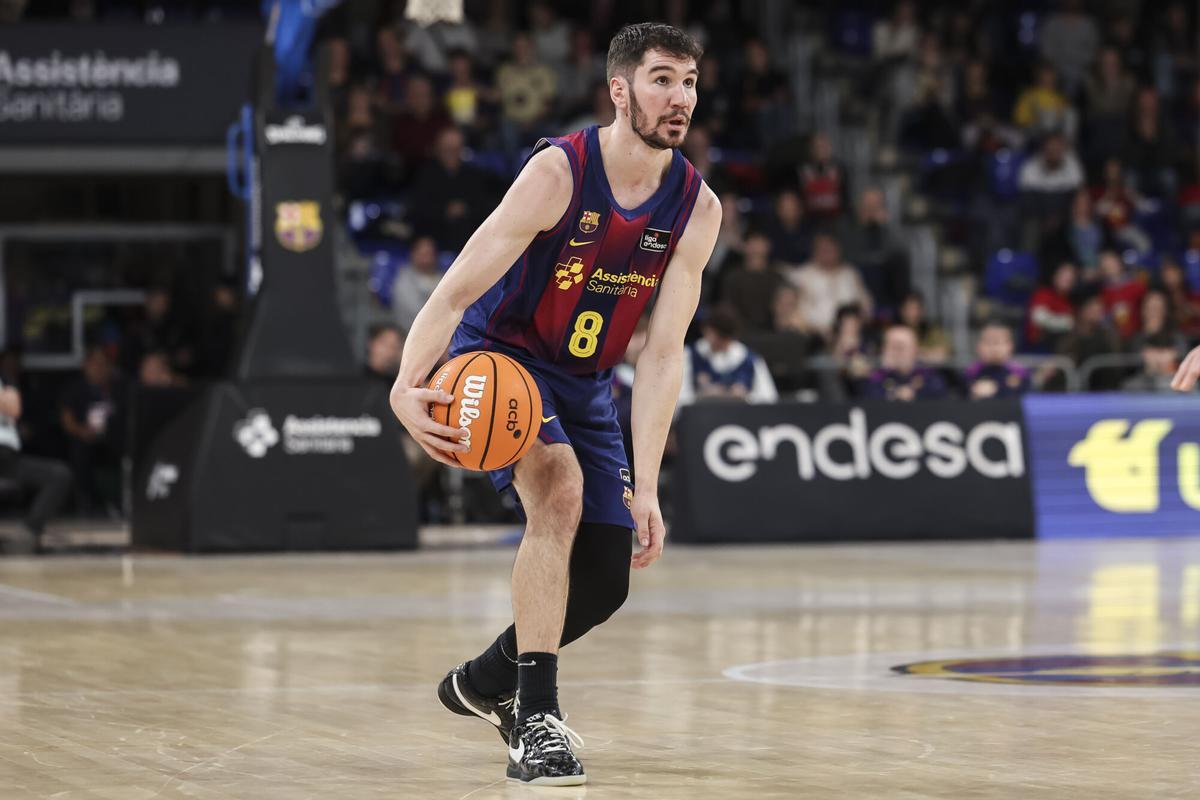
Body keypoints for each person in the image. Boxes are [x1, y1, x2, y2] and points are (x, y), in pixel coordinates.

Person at [388, 23, 719, 786]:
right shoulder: (557, 173)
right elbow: (459, 284)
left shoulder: (697, 209)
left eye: (691, 82)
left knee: (606, 577)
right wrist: (407, 383)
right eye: (663, 79)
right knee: (559, 494)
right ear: (620, 89)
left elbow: (663, 353)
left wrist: (647, 484)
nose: (680, 98)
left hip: (585, 383)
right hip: (497, 357)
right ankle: (537, 717)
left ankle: (483, 682)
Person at [0, 374, 71, 555]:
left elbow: (13, 408)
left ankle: (27, 535)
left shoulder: (5, 380)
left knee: (59, 475)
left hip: (7, 457)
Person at [678, 308, 777, 406]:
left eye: (725, 339)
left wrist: (745, 397)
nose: (720, 343)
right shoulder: (689, 355)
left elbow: (768, 399)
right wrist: (702, 396)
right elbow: (680, 399)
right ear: (707, 331)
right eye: (717, 337)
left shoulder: (750, 360)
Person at [860, 324, 947, 401]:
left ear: (914, 350)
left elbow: (940, 396)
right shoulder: (875, 376)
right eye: (892, 347)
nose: (896, 353)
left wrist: (914, 395)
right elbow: (866, 397)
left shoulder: (927, 375)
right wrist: (894, 395)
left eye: (901, 347)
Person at [963, 322, 1032, 399]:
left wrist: (1001, 389)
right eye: (988, 342)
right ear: (979, 346)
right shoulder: (970, 373)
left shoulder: (1021, 373)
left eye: (998, 342)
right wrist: (974, 395)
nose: (993, 348)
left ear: (1010, 346)